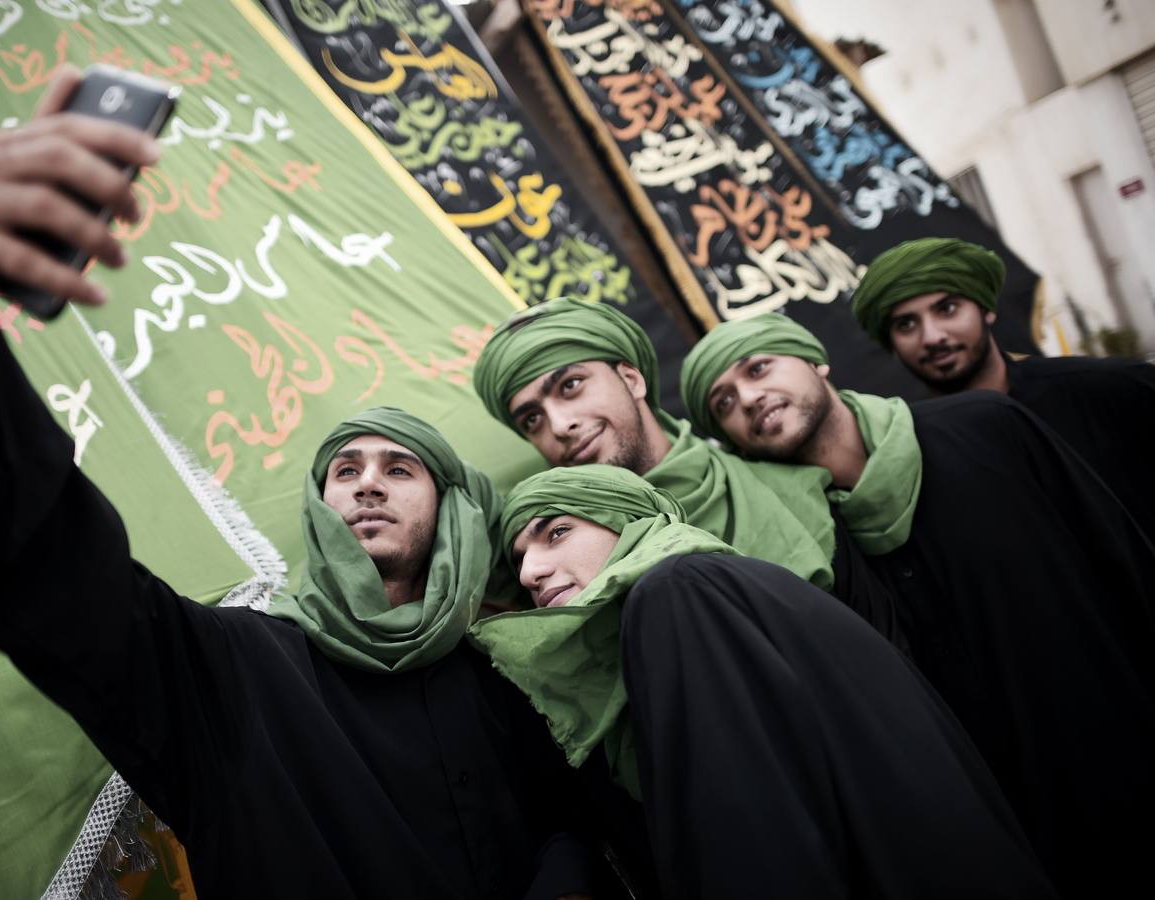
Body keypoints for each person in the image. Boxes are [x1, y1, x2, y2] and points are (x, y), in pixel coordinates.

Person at [0, 67, 608, 899]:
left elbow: (575, 826)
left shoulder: (511, 671)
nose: (367, 485)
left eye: (399, 468)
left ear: (450, 513)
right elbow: (58, 578)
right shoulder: (233, 674)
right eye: (344, 472)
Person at [680, 313, 1155, 899]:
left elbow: (1125, 562)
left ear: (816, 363)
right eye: (723, 402)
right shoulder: (806, 554)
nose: (749, 398)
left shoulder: (987, 427)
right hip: (1019, 841)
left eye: (758, 369)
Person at [470, 464, 1057, 899]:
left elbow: (753, 826)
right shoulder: (713, 585)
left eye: (556, 533)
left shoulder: (679, 591)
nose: (531, 570)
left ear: (632, 523)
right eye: (520, 558)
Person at [473, 299, 906, 649]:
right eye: (531, 420)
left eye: (570, 386)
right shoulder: (561, 568)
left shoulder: (794, 489)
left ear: (631, 378)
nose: (558, 425)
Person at [851, 236, 1155, 537]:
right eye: (906, 325)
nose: (932, 336)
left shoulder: (1109, 389)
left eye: (948, 309)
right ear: (891, 345)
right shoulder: (912, 458)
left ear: (986, 309)